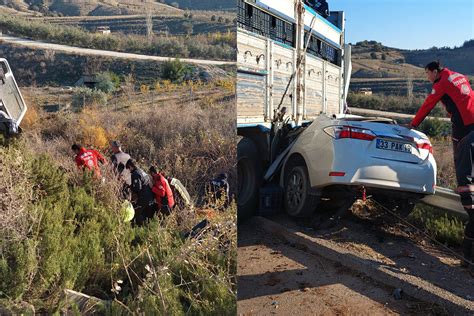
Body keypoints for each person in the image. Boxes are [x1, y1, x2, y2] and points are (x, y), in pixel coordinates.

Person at [409, 61, 474, 271]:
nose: (427, 77)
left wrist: (413, 125)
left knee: (463, 166)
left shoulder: (442, 82)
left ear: (435, 71)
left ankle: (467, 196)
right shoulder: (459, 75)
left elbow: (428, 104)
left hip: (463, 127)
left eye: (427, 73)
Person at [125, 159, 156, 225]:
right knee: (147, 216)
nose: (129, 170)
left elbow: (137, 188)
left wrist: (130, 188)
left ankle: (136, 229)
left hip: (144, 198)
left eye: (128, 168)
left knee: (134, 213)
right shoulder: (141, 171)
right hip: (150, 197)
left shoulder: (135, 173)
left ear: (131, 166)